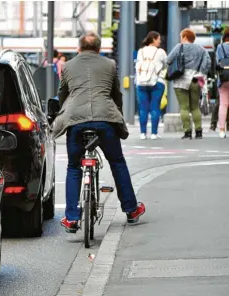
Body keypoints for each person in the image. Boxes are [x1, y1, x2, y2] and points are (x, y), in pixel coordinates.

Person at [53, 32, 146, 233]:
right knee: (117, 162)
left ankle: (71, 217)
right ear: (98, 48)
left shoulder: (68, 66)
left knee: (73, 166)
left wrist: (64, 110)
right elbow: (115, 93)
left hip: (76, 121)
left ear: (79, 48)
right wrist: (117, 113)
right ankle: (131, 209)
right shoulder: (109, 65)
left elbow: (62, 93)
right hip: (105, 120)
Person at [167, 28, 211, 139]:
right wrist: (200, 73)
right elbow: (208, 62)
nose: (180, 39)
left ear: (185, 37)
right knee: (195, 107)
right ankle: (199, 131)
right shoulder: (201, 49)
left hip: (180, 80)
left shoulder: (179, 47)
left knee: (184, 108)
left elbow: (168, 60)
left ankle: (187, 132)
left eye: (181, 36)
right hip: (195, 79)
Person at [135, 31, 167, 140]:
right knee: (155, 107)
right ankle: (154, 133)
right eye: (158, 39)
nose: (160, 41)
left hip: (141, 82)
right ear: (153, 39)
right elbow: (166, 64)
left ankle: (143, 133)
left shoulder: (141, 51)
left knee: (143, 108)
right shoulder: (160, 52)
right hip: (157, 81)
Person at [215, 31, 229, 138]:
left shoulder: (220, 47)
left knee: (223, 104)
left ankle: (222, 130)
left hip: (224, 78)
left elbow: (218, 62)